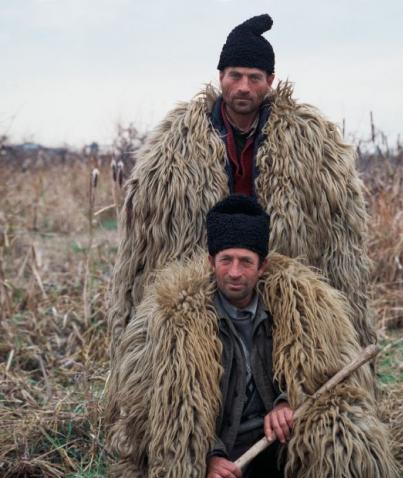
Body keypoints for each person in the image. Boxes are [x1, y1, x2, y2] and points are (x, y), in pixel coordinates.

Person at [105, 196, 396, 478]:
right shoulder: (173, 321)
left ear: (262, 266)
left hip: (279, 446)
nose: (235, 272)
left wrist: (287, 401)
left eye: (246, 261)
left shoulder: (301, 309)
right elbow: (158, 411)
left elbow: (325, 374)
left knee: (344, 436)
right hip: (225, 455)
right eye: (226, 260)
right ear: (212, 262)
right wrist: (209, 455)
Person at [108, 13, 376, 361]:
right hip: (208, 272)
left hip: (278, 270)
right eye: (235, 76)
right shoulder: (176, 144)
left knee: (301, 359)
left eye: (254, 78)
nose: (244, 87)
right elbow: (145, 234)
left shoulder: (311, 141)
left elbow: (340, 229)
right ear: (221, 77)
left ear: (271, 81)